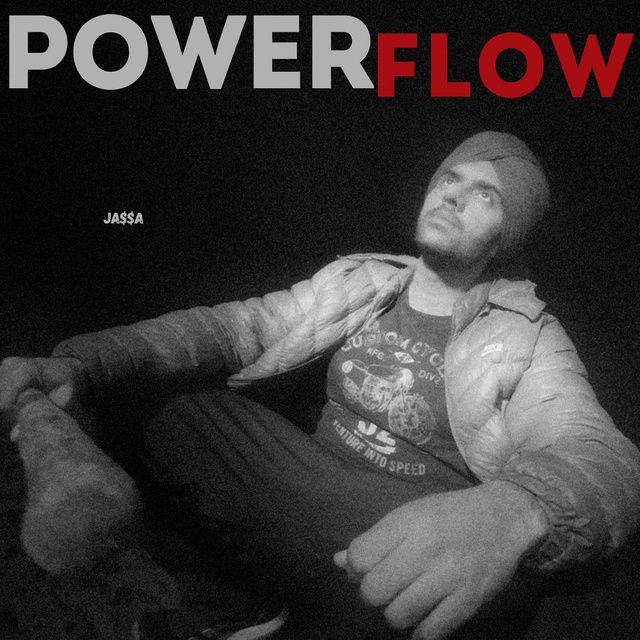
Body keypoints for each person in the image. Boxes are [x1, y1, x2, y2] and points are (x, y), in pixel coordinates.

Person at [2, 131, 640, 640]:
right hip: (303, 481)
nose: (453, 197)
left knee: (474, 589)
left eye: (486, 196)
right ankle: (230, 595)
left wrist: (515, 509)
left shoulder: (526, 331)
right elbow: (238, 326)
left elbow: (599, 450)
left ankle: (283, 608)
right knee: (169, 402)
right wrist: (83, 362)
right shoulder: (365, 277)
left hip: (406, 526)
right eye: (450, 178)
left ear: (505, 239)